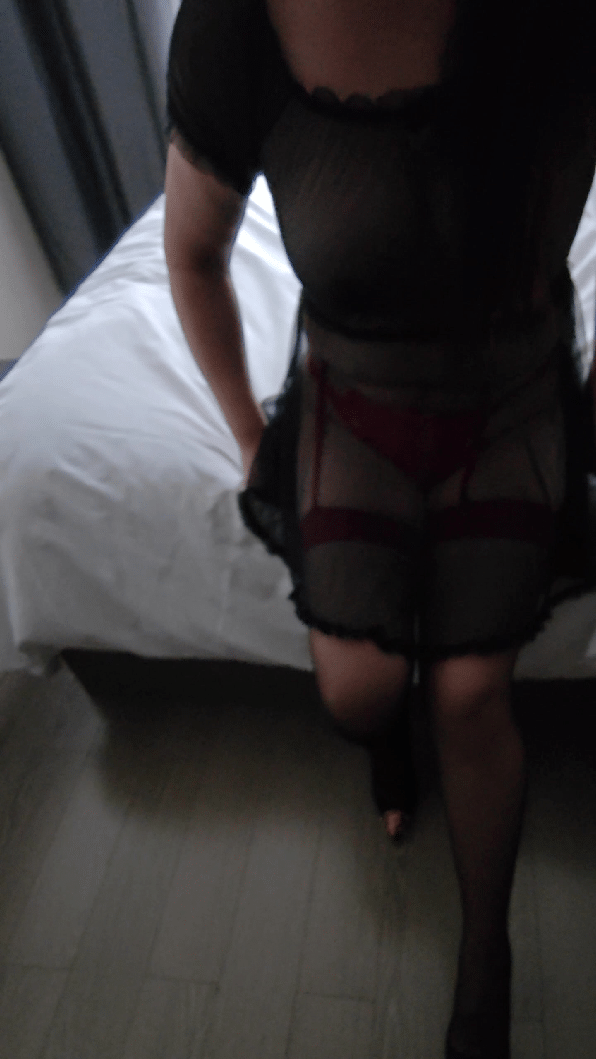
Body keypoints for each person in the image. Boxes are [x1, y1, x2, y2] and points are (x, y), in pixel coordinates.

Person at [163, 1, 596, 1056]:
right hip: (354, 398)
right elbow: (194, 255)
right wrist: (248, 434)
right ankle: (386, 746)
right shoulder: (235, 27)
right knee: (356, 693)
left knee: (470, 695)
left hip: (510, 396)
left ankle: (485, 959)